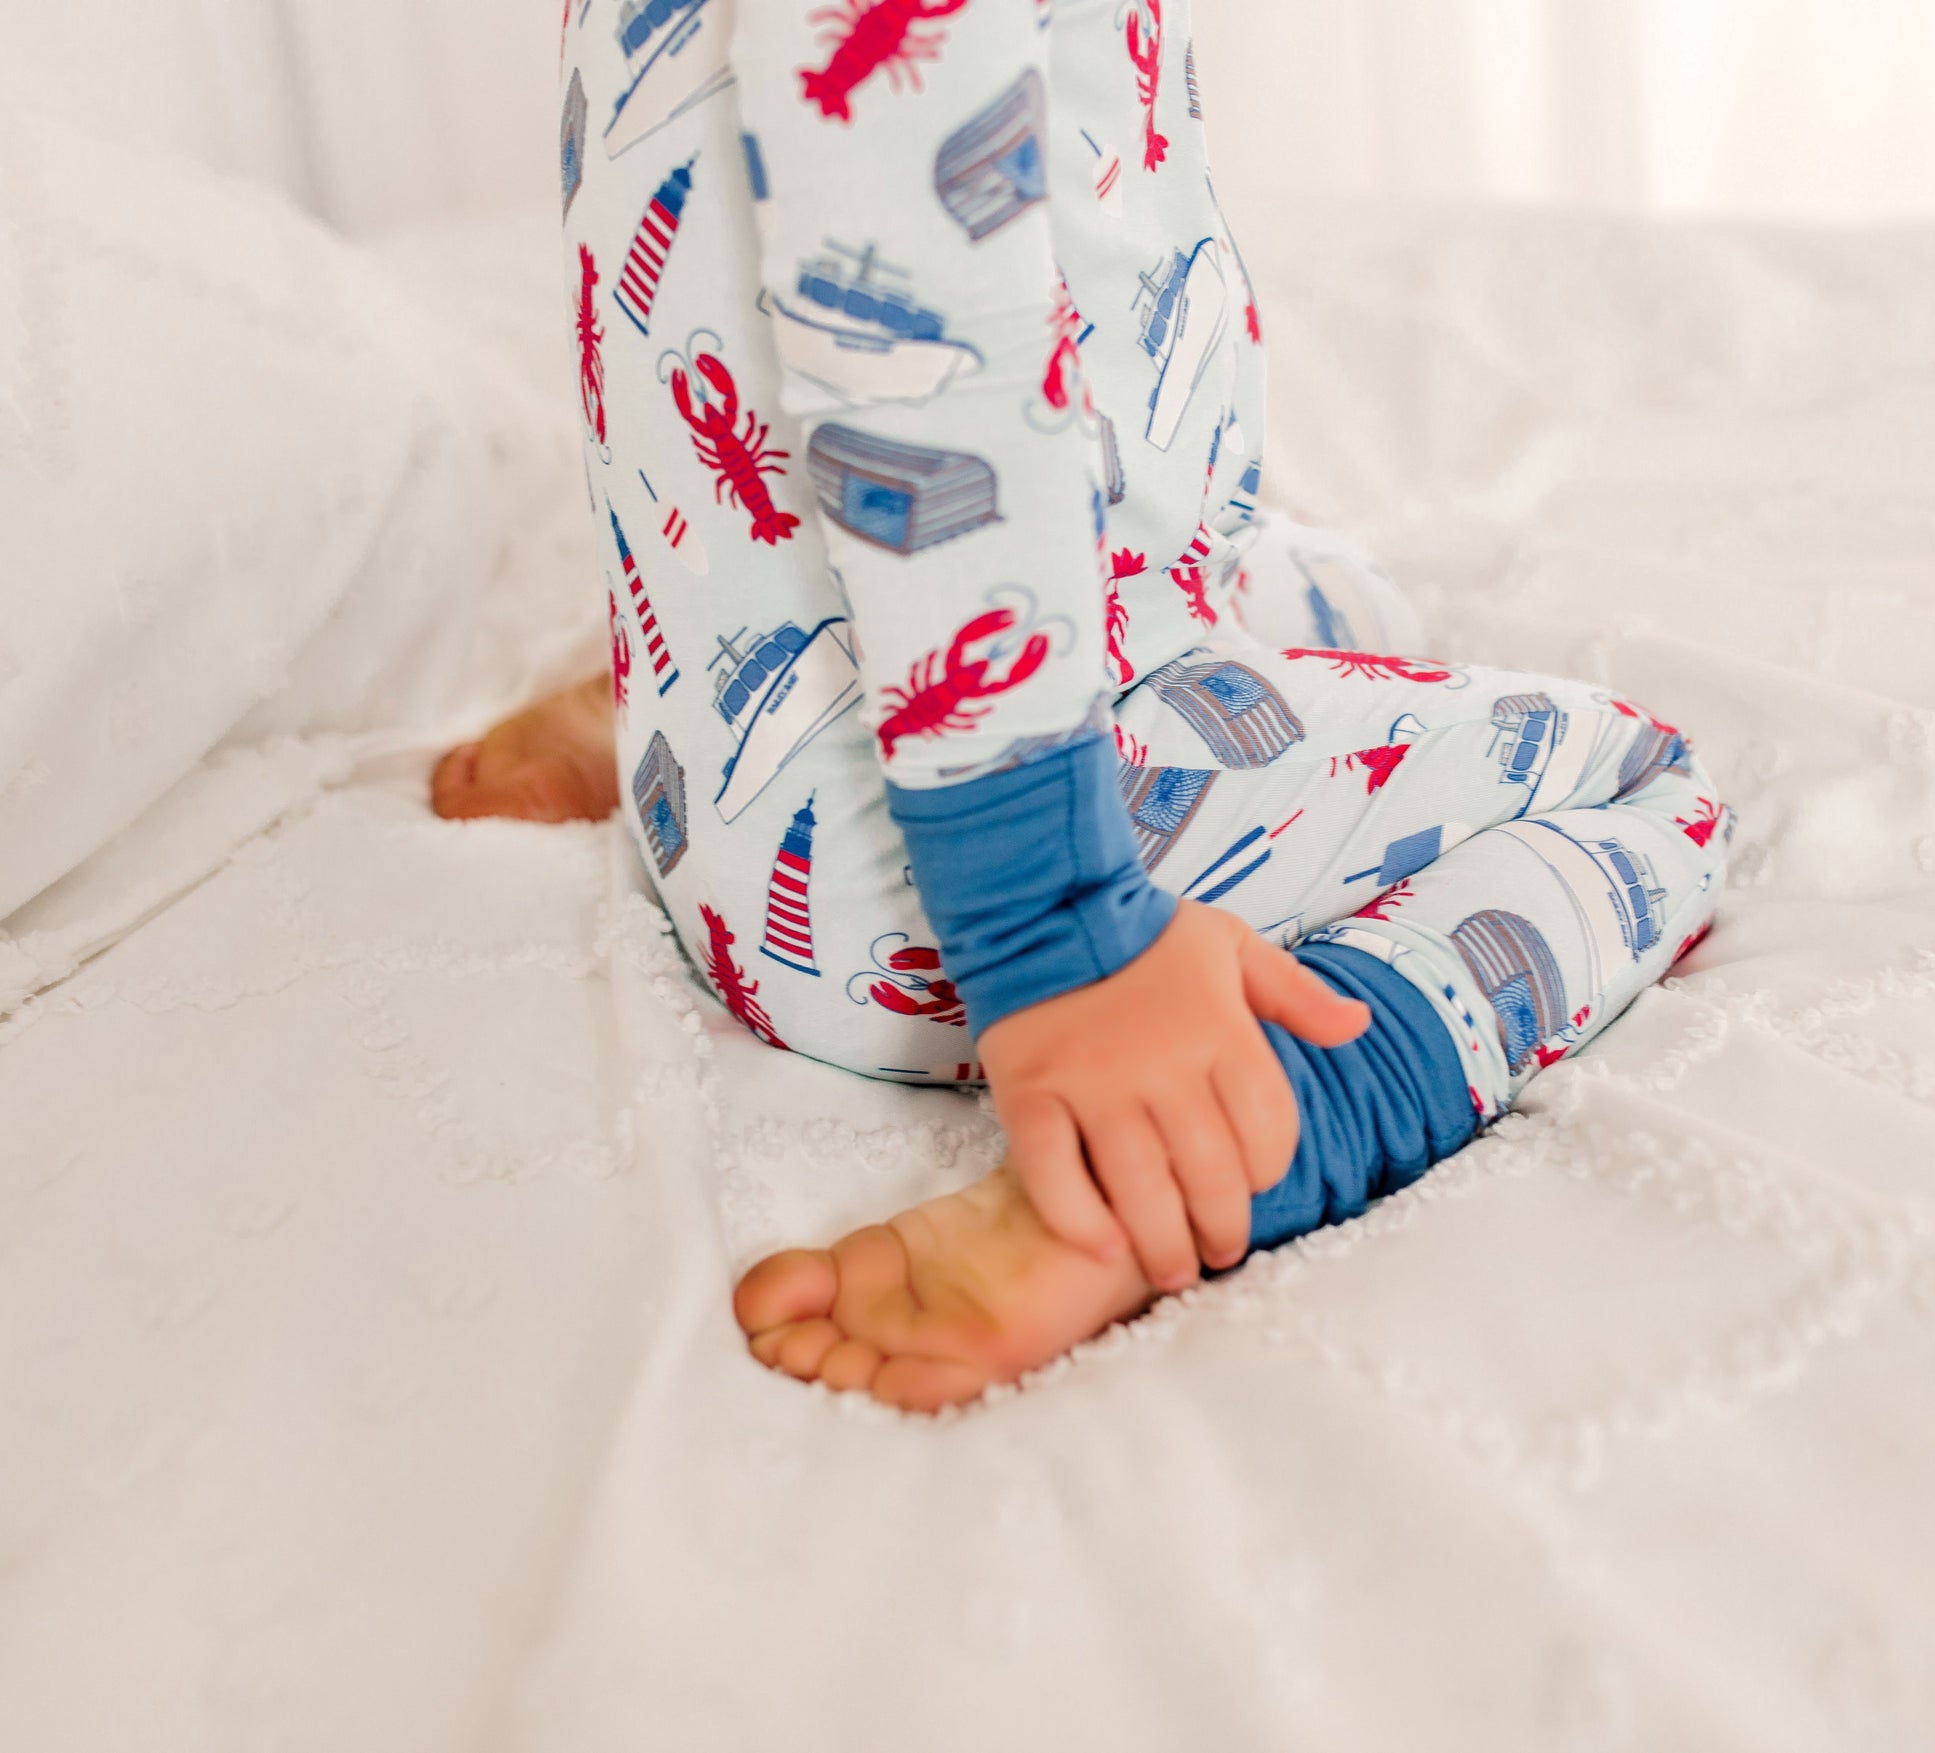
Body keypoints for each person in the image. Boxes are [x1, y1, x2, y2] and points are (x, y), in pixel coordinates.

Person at [435, 0, 1731, 1412]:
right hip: (956, 856)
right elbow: (923, 362)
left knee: (1357, 599)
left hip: (741, 727)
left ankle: (653, 701)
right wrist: (1063, 949)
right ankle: (1216, 1146)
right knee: (1644, 788)